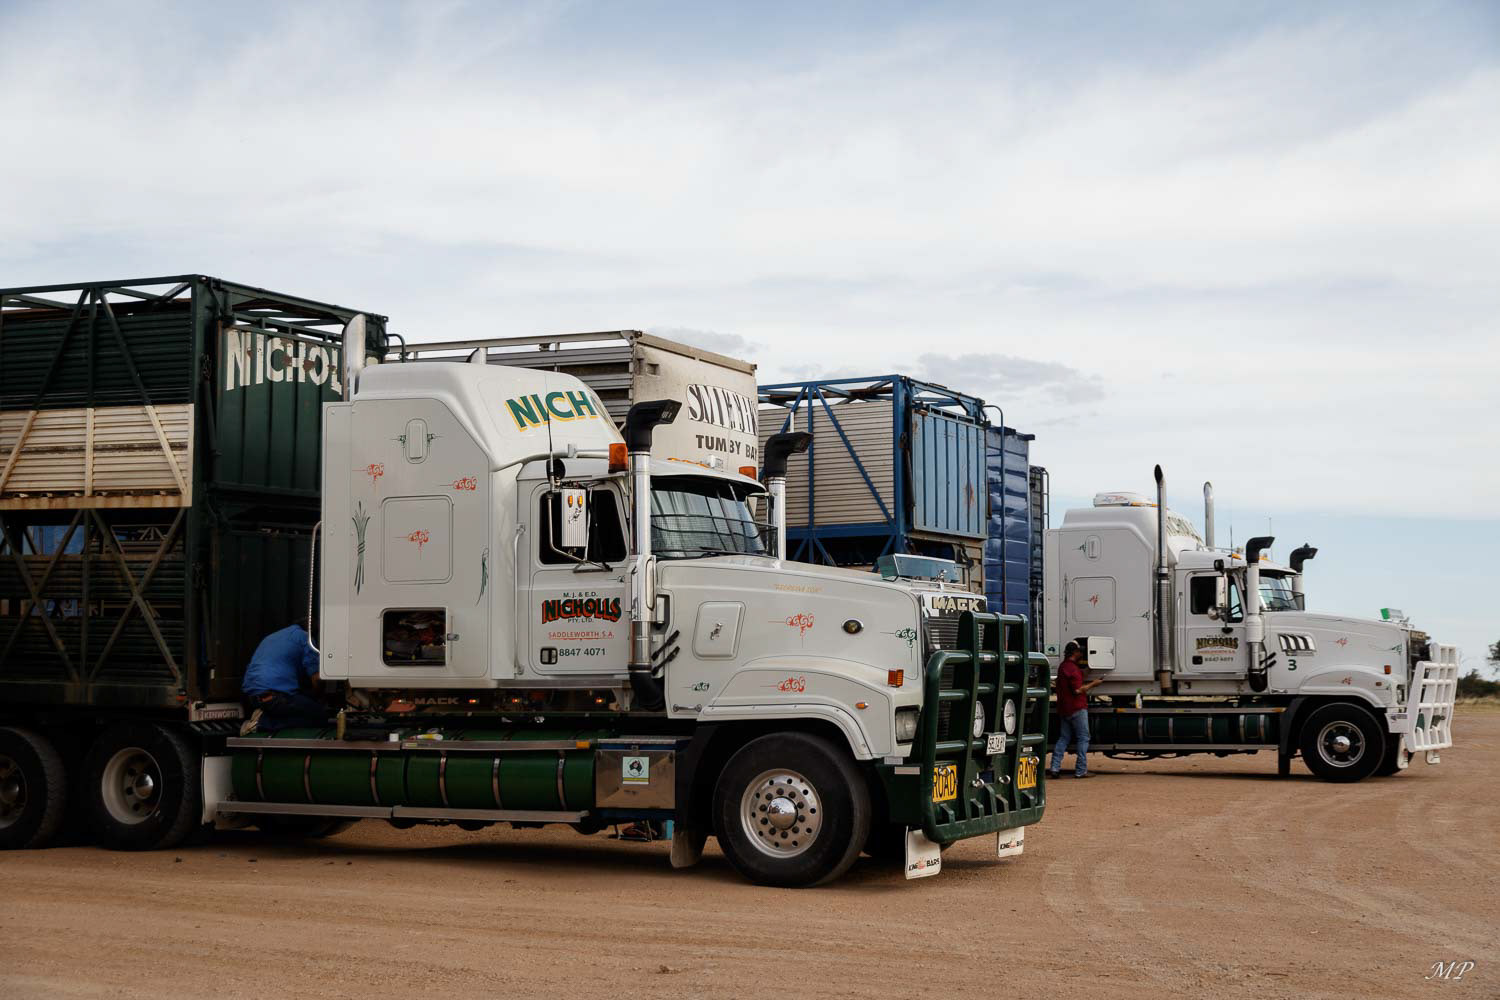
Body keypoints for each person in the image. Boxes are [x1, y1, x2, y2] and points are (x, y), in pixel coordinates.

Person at [240, 623, 327, 734]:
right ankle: (261, 723)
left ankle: (263, 714)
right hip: (273, 697)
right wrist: (319, 698)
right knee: (320, 715)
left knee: (296, 703)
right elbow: (317, 679)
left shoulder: (272, 637)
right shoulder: (306, 638)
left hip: (251, 696)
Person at [1049, 641, 1103, 779]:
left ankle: (1055, 767)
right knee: (1083, 738)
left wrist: (1089, 669)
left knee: (1064, 738)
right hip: (1077, 708)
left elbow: (1077, 676)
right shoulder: (1073, 669)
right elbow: (1078, 689)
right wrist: (1094, 684)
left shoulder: (1064, 667)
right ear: (1075, 653)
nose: (1081, 654)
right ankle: (1080, 770)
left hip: (1064, 708)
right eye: (1080, 651)